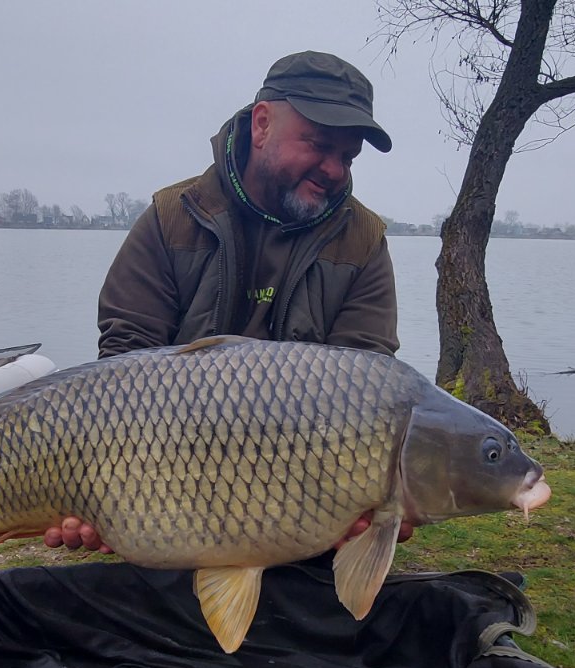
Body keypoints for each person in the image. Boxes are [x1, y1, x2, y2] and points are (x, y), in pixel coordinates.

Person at [44, 50, 413, 554]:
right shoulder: (172, 219)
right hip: (166, 473)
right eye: (319, 145)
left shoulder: (362, 241)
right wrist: (106, 491)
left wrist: (379, 499)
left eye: (347, 157)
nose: (334, 170)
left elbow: (365, 386)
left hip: (303, 492)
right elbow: (124, 365)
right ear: (262, 124)